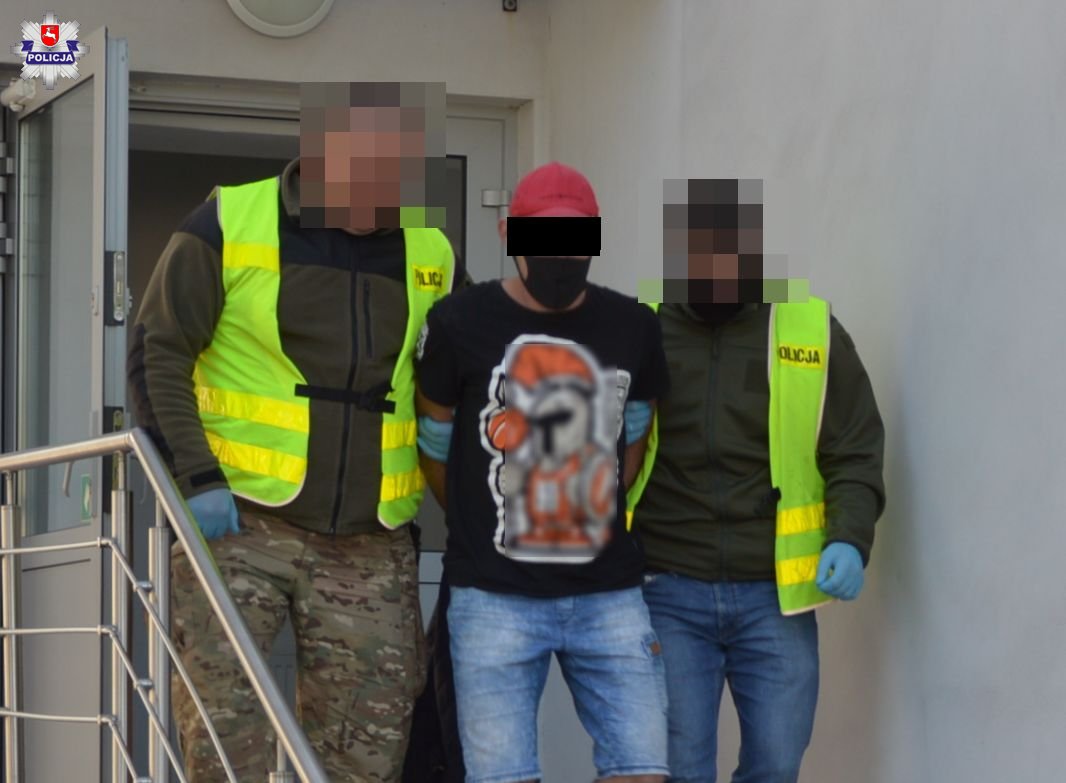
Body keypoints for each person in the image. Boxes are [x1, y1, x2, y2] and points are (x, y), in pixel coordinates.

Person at [127, 81, 458, 782]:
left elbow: (464, 368)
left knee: (365, 756)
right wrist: (195, 476)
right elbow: (158, 350)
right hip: (240, 524)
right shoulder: (228, 220)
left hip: (371, 542)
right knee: (225, 743)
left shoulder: (430, 247)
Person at [414, 161, 670, 783]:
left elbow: (635, 430)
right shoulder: (456, 322)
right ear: (509, 233)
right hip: (492, 597)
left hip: (609, 593)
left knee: (642, 770)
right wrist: (476, 515)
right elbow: (434, 440)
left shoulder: (635, 326)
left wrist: (593, 499)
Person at [628, 178, 886, 783]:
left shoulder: (809, 328)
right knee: (679, 767)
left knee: (776, 762)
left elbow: (854, 449)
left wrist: (850, 538)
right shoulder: (641, 327)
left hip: (775, 594)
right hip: (668, 584)